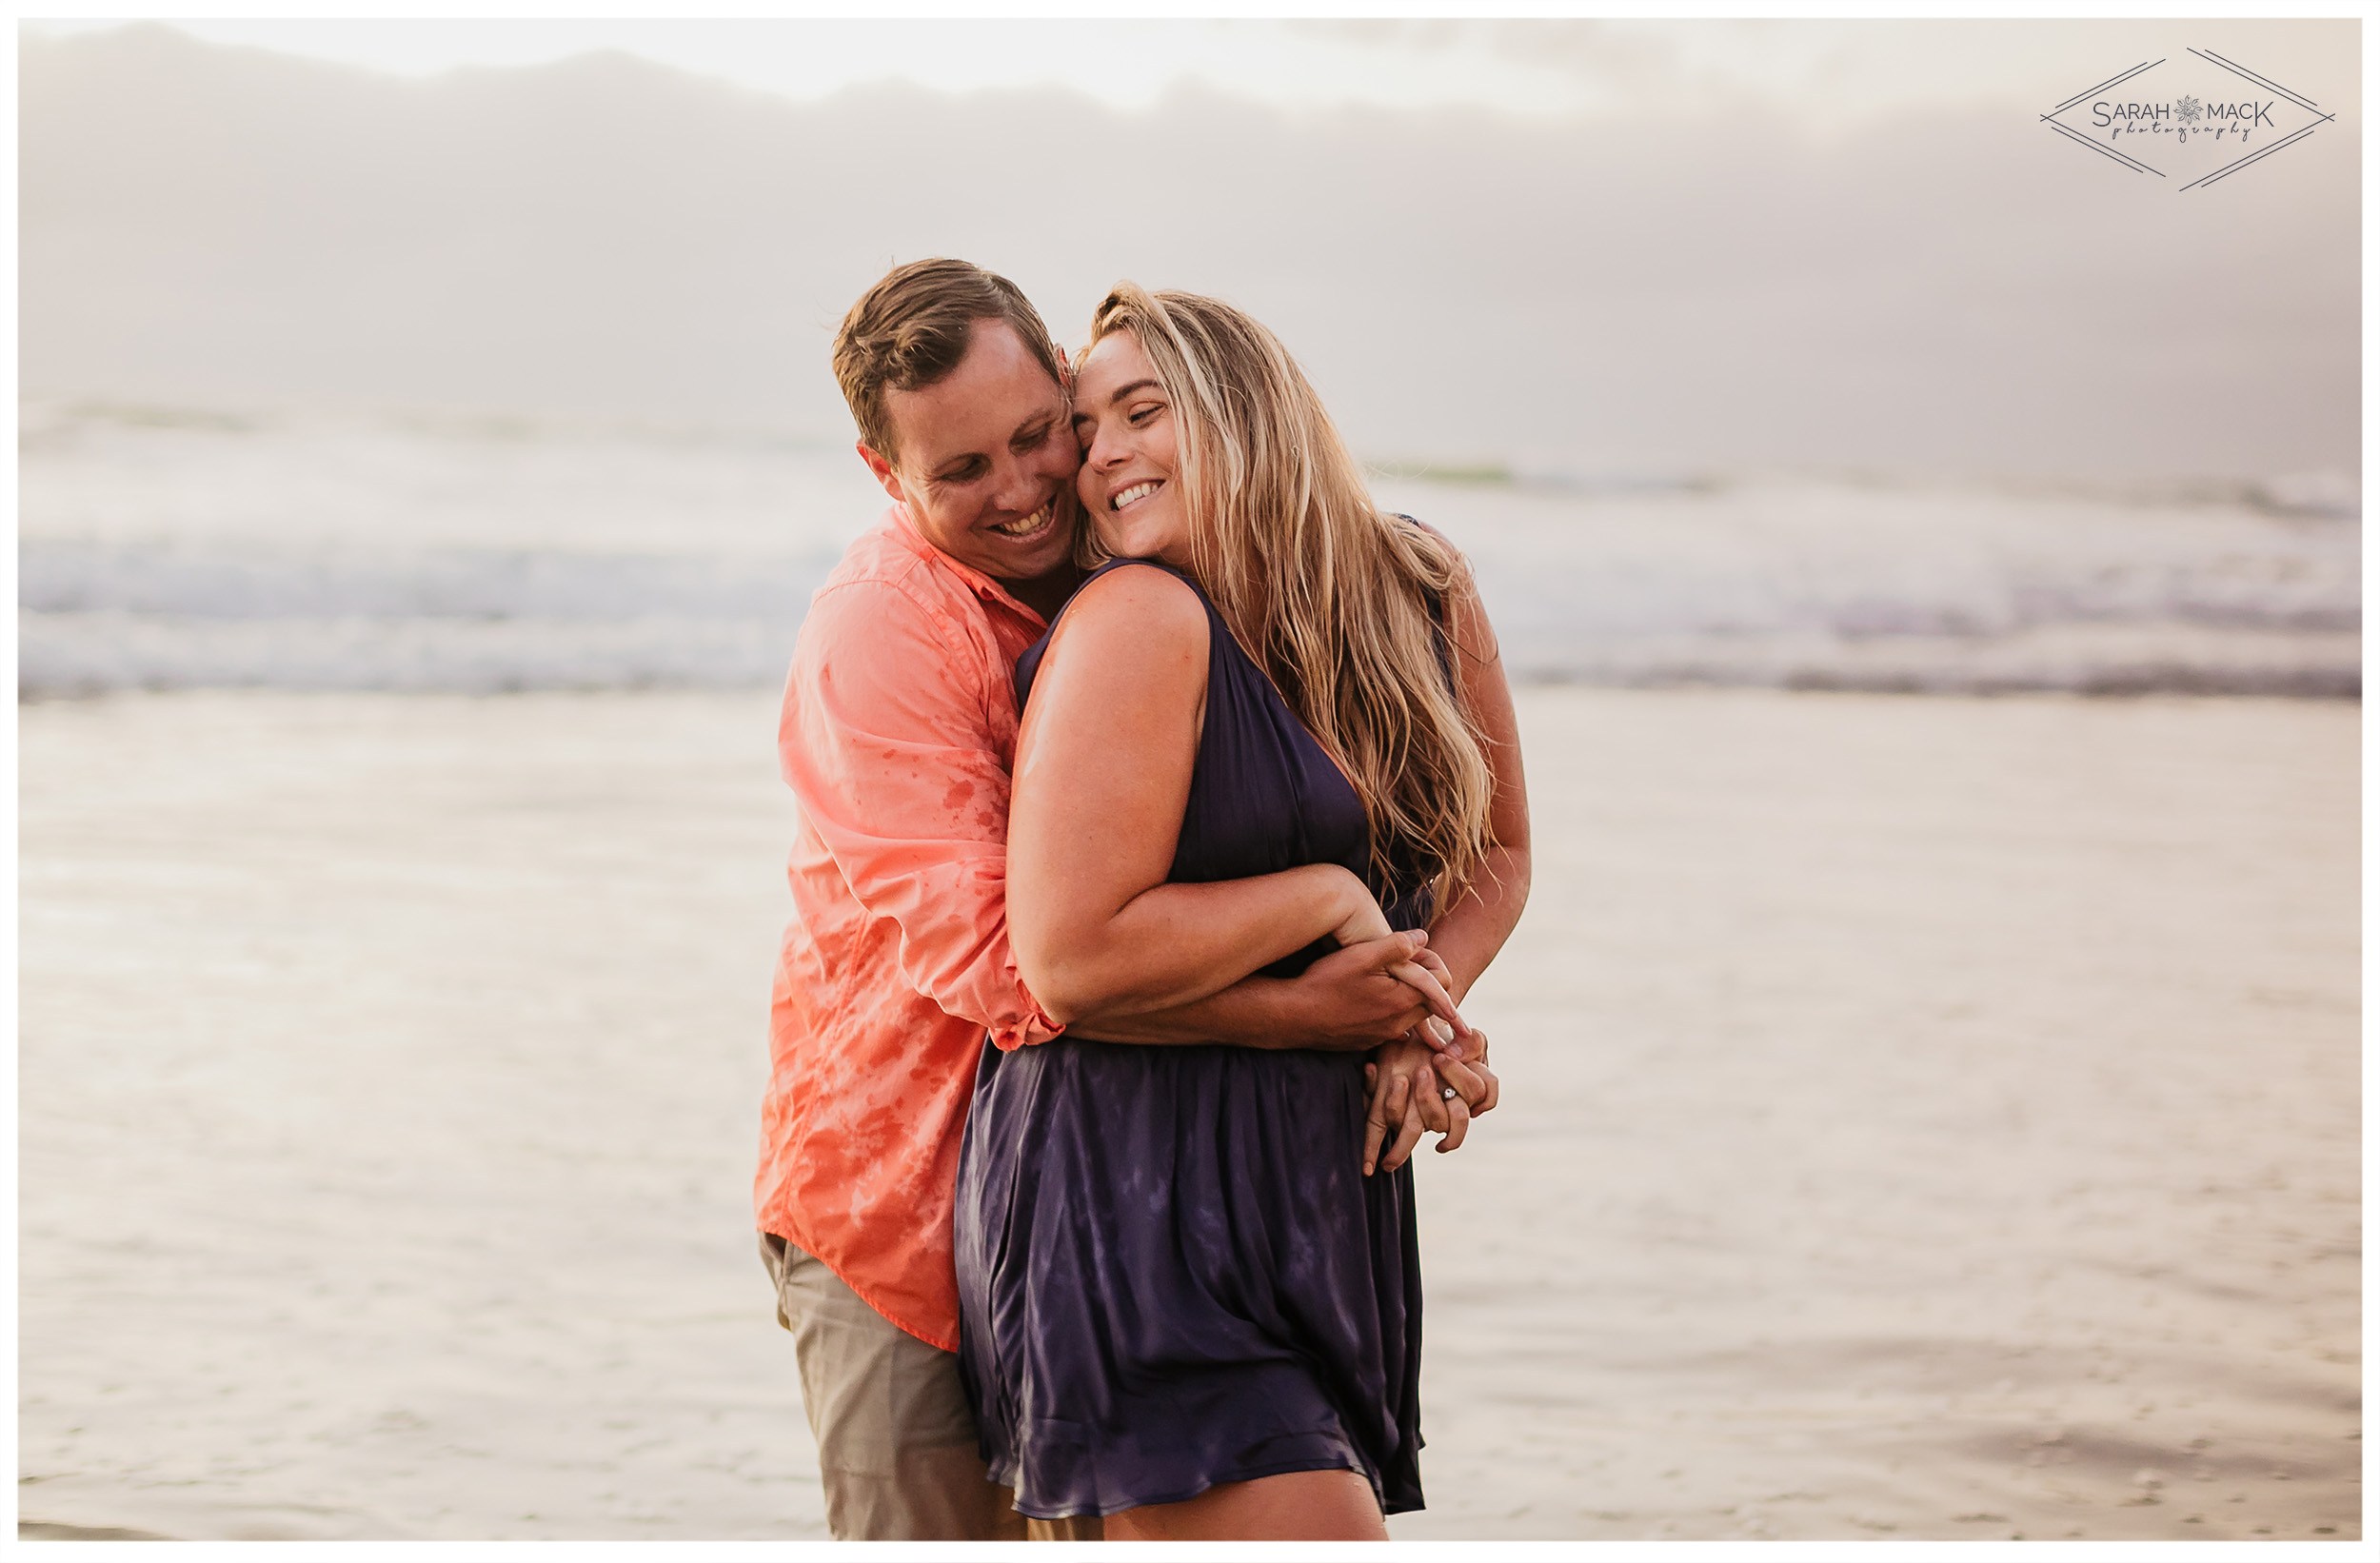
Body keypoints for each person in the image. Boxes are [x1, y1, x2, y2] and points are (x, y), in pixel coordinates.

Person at [755, 259, 1497, 1541]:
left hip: (1145, 1177)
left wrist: (1412, 1008)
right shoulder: (879, 634)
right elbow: (1029, 967)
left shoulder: (1143, 549)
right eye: (965, 470)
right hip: (898, 1211)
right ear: (890, 477)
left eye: (1043, 433)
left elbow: (1435, 838)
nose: (1029, 485)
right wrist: (1339, 1007)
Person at [954, 285, 1533, 1541]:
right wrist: (1325, 907)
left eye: (1140, 412)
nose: (1099, 454)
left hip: (1316, 1200)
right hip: (1133, 1205)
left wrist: (1411, 1019)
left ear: (1244, 412)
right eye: (1084, 425)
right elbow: (1068, 955)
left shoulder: (1419, 586)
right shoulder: (1139, 620)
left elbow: (1499, 852)